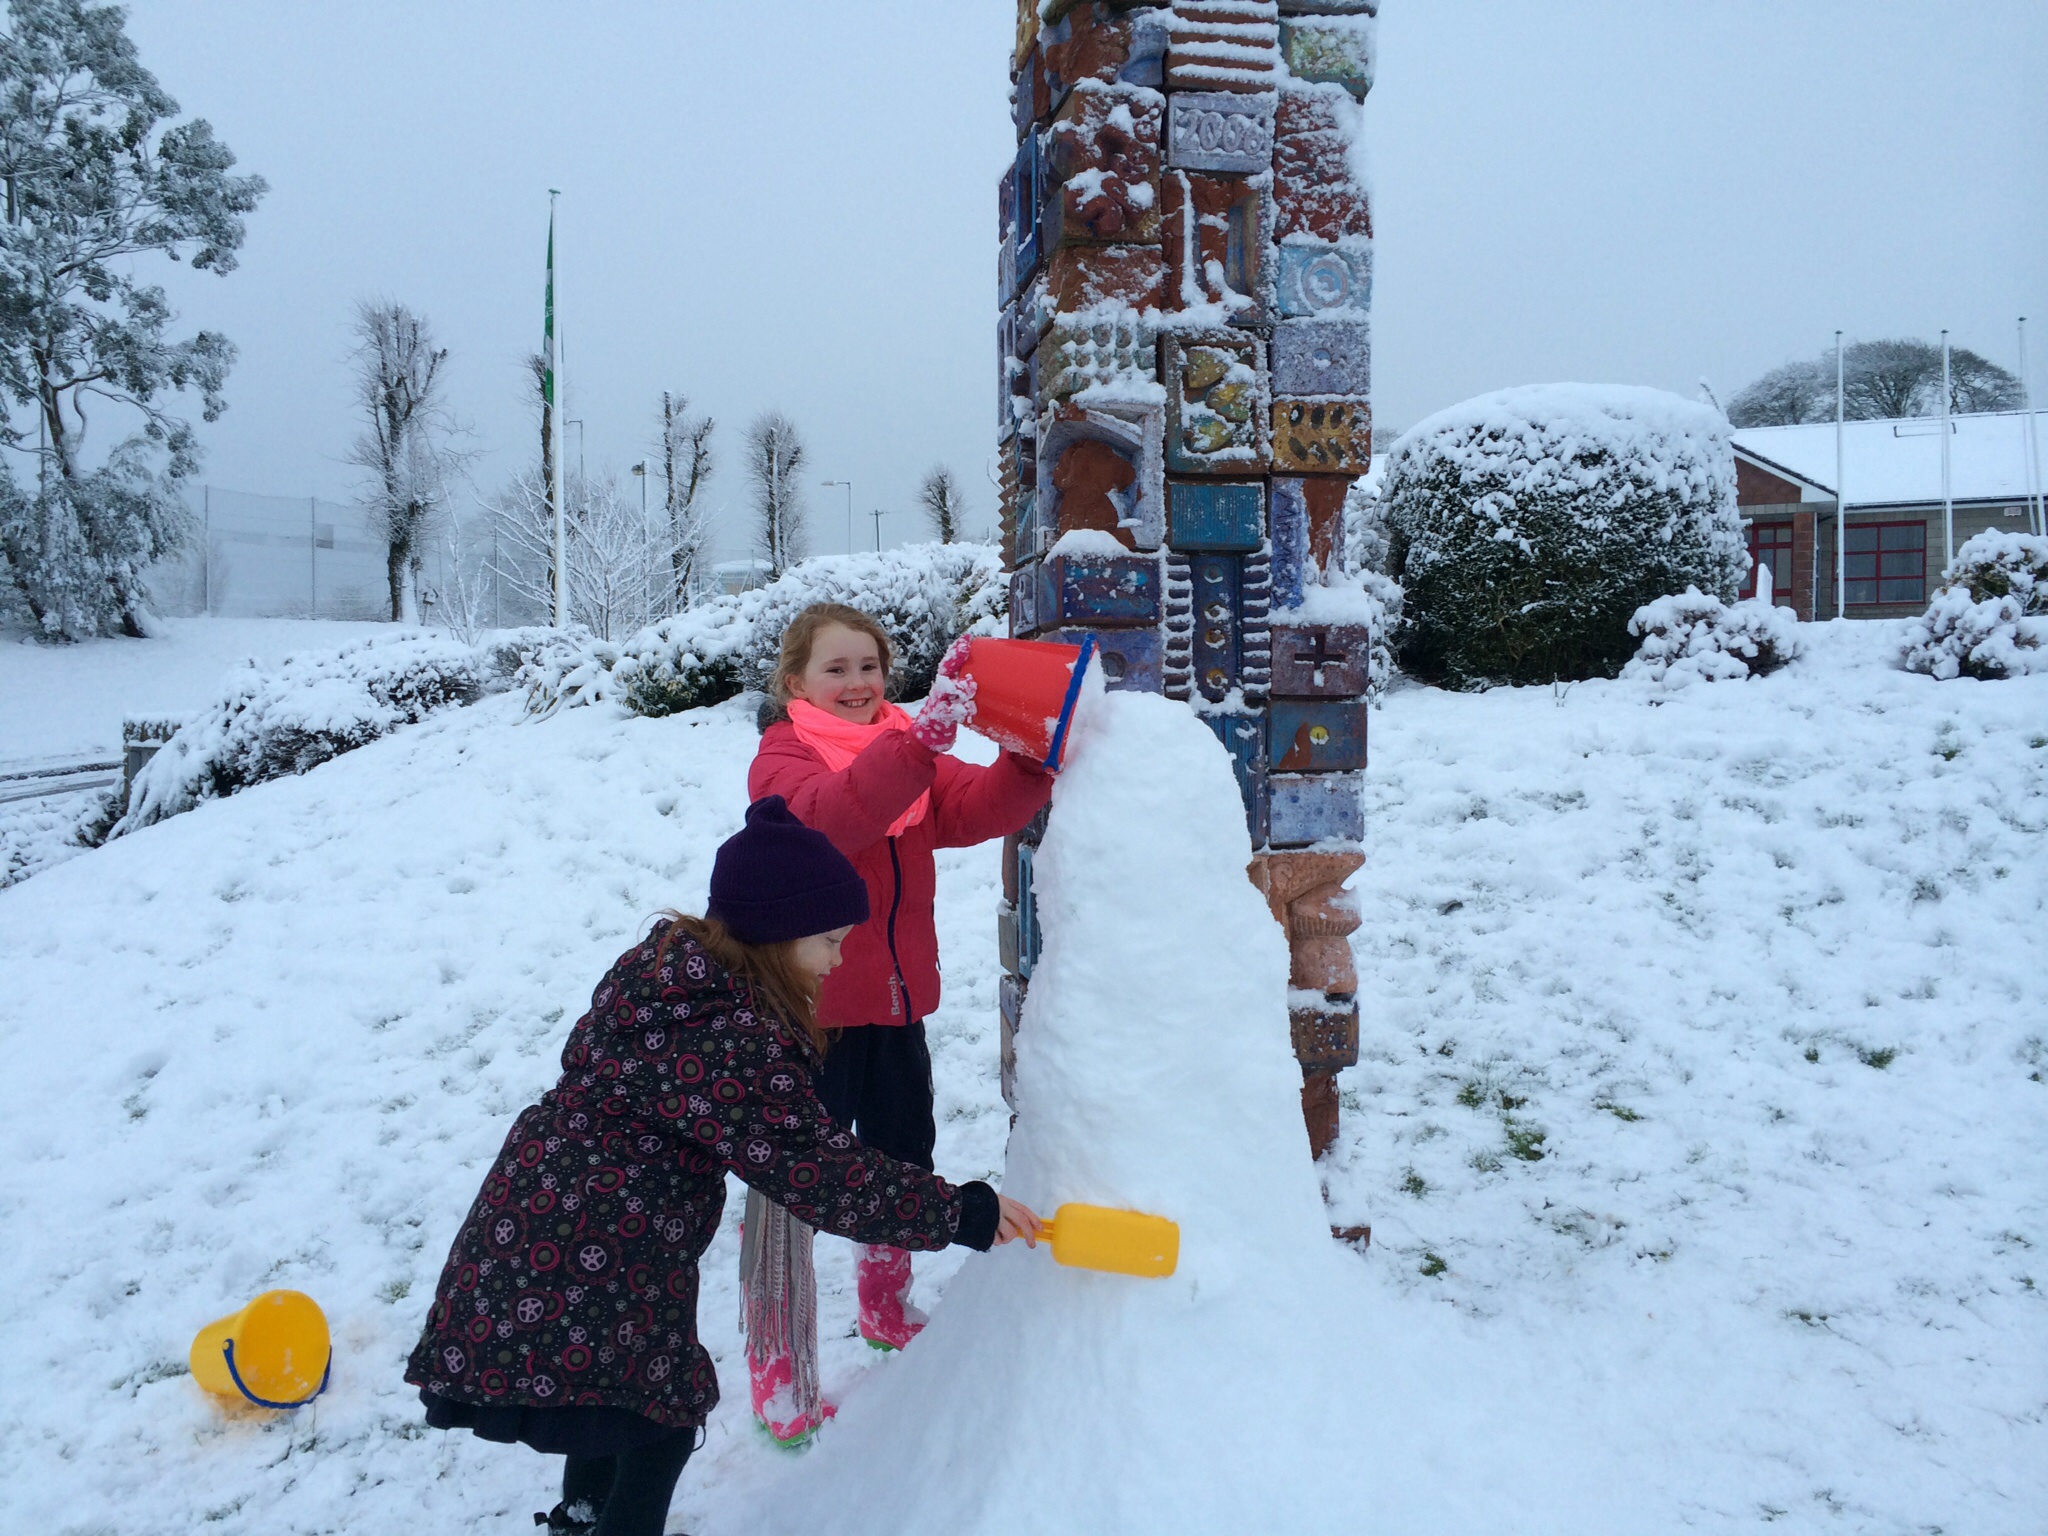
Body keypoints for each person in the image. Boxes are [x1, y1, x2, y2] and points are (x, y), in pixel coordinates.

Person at [405, 797, 1041, 1536]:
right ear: (777, 933)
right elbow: (818, 1172)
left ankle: (579, 1520)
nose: (838, 960)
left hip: (539, 1204)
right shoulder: (729, 1038)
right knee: (656, 1421)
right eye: (829, 941)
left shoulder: (667, 974)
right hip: (597, 1238)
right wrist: (963, 1213)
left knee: (609, 1399)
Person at [743, 604, 1052, 1435]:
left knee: (901, 1164)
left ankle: (884, 1305)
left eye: (869, 667)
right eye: (836, 669)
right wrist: (918, 747)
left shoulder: (902, 744)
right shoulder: (783, 761)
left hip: (893, 1008)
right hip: (808, 1018)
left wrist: (1031, 753)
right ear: (796, 682)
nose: (858, 684)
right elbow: (834, 817)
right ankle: (778, 1364)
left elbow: (975, 807)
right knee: (789, 1191)